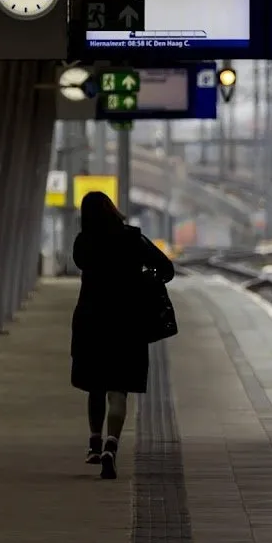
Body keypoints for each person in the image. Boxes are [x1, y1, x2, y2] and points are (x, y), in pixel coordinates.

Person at [70, 191, 175, 479]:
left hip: (91, 320)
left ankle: (94, 442)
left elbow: (80, 263)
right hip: (128, 322)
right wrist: (143, 279)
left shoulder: (84, 243)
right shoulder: (133, 239)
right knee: (119, 387)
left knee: (95, 383)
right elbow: (166, 269)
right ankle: (111, 447)